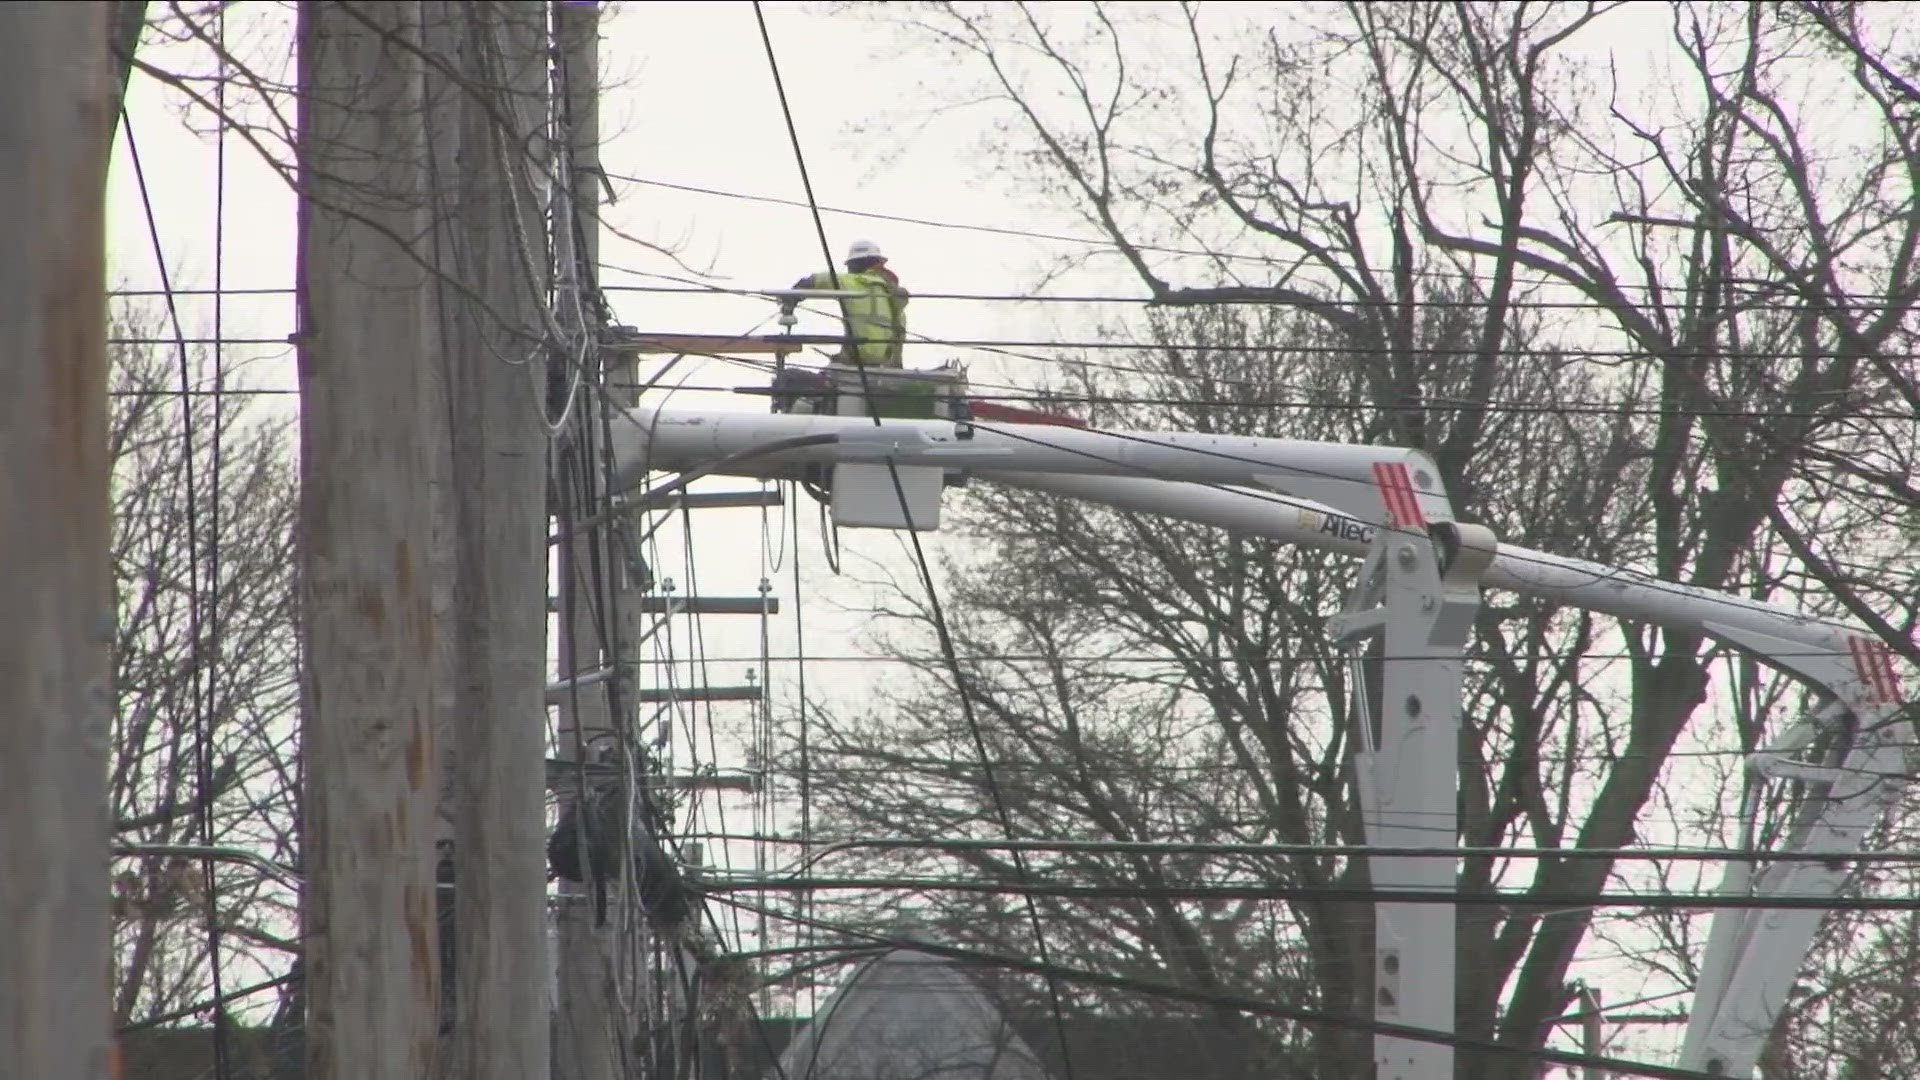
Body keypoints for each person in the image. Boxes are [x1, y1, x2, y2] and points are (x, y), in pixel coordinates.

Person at [782, 239, 909, 367]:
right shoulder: (893, 297)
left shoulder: (853, 282)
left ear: (856, 264)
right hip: (882, 366)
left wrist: (791, 297)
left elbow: (815, 281)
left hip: (856, 359)